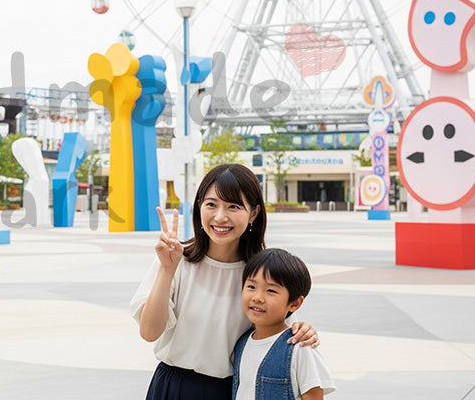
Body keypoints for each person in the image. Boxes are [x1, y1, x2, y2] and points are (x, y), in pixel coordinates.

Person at [130, 163, 320, 399]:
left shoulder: (260, 272)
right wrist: (167, 270)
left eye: (233, 206)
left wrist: (302, 330)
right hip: (173, 387)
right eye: (211, 204)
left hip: (230, 390)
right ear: (199, 206)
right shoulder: (175, 259)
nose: (220, 217)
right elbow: (149, 332)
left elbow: (279, 332)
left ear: (253, 213)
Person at [232, 248, 334, 400]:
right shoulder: (242, 343)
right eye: (251, 287)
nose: (258, 297)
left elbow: (313, 396)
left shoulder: (300, 347)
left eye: (271, 291)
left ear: (294, 303)